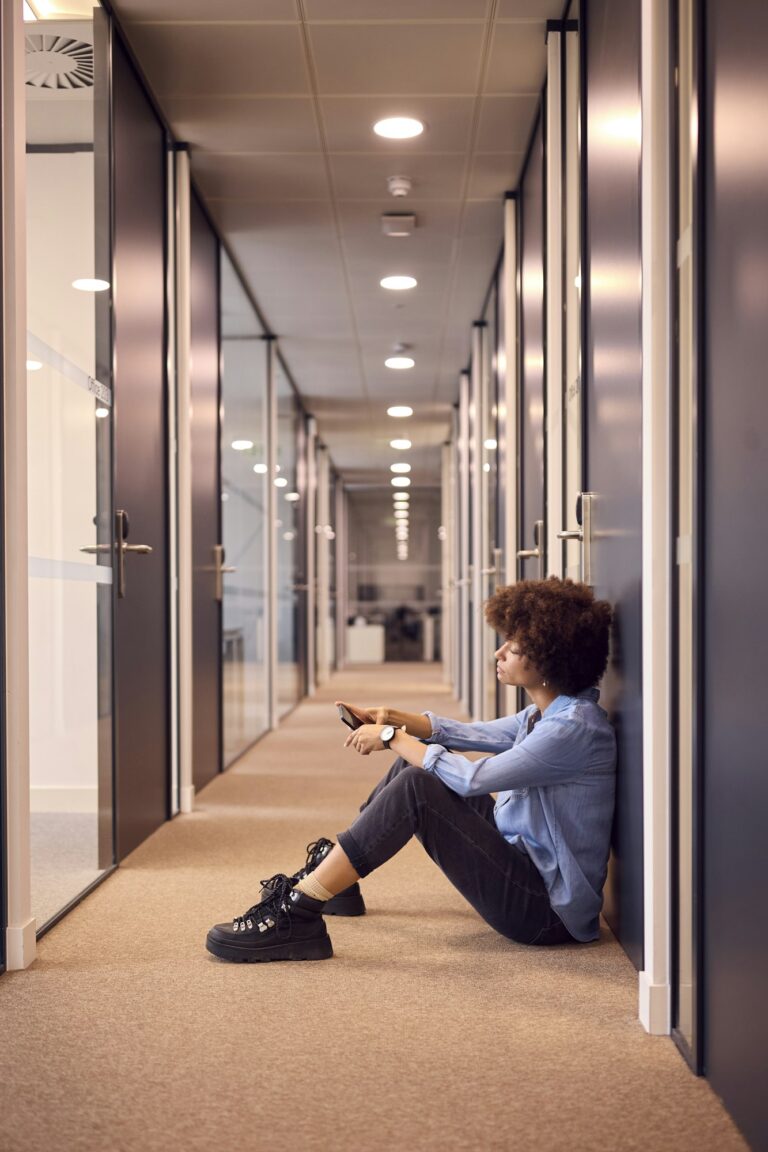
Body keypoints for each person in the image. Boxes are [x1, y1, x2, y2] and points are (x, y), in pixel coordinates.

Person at [206, 577, 616, 963]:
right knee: (416, 759)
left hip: (544, 912)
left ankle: (299, 910)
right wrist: (394, 719)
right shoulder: (544, 715)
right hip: (522, 864)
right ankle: (336, 877)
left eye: (514, 646)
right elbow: (470, 733)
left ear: (549, 657)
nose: (499, 652)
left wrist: (389, 736)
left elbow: (474, 781)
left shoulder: (572, 729)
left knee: (420, 784)